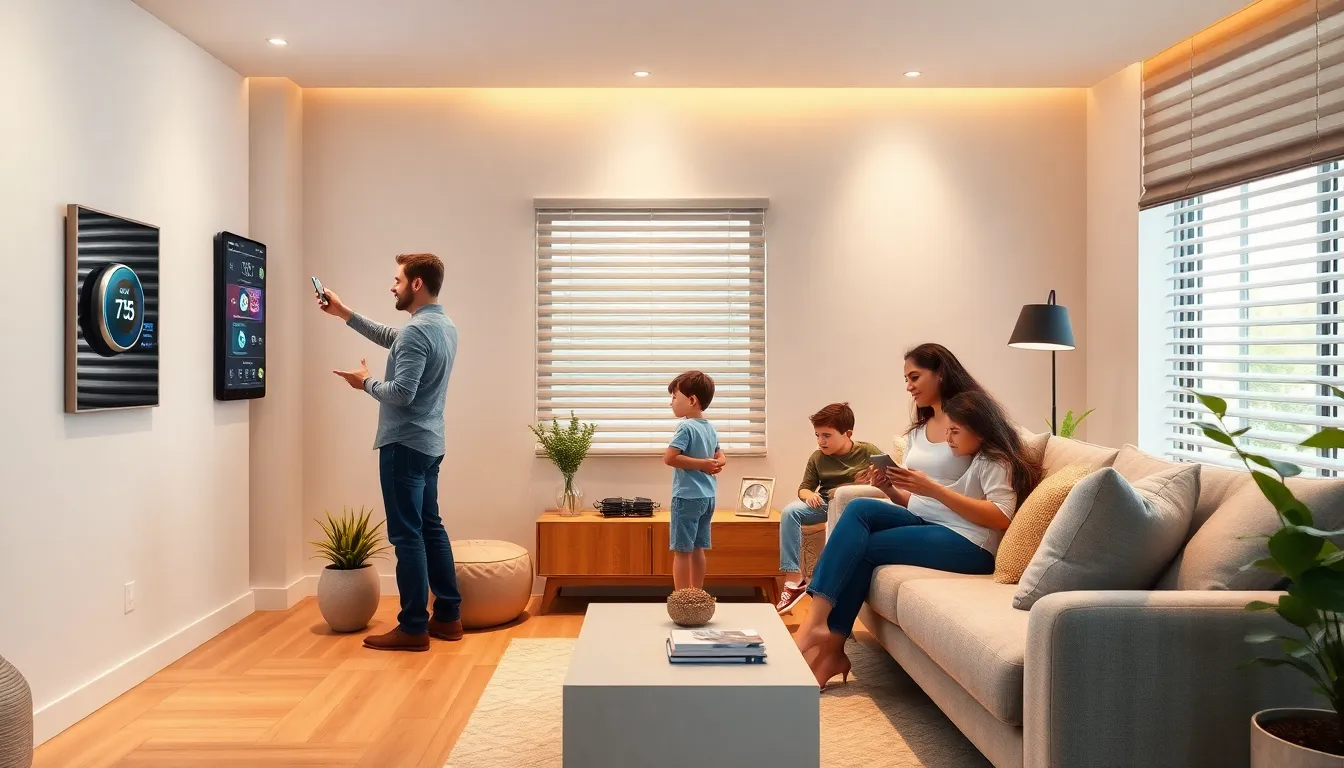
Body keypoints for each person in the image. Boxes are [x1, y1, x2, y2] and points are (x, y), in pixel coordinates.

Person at [796, 347, 1042, 689]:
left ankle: (826, 635)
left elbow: (1000, 516)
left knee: (864, 549)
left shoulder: (990, 454)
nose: (909, 386)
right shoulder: (932, 430)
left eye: (914, 377)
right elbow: (926, 499)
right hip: (928, 521)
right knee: (858, 509)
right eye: (906, 379)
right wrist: (893, 488)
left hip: (968, 543)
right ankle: (822, 630)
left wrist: (931, 488)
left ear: (940, 373)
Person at [318, 253, 462, 653]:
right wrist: (344, 312)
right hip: (431, 445)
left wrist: (365, 383)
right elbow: (391, 336)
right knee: (431, 528)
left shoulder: (418, 332)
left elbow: (402, 393)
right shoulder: (443, 326)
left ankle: (414, 626)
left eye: (397, 280)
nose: (392, 286)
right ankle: (448, 617)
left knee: (407, 536)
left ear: (417, 284)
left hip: (404, 446)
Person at [775, 403, 882, 615]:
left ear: (847, 433)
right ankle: (793, 581)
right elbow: (804, 488)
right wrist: (810, 495)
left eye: (827, 435)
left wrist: (851, 487)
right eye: (817, 435)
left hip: (853, 507)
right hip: (823, 503)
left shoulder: (868, 451)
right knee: (790, 511)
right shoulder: (817, 457)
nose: (820, 441)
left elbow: (889, 478)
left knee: (839, 502)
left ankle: (829, 579)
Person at [662, 371, 725, 591]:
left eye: (674, 397)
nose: (671, 402)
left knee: (682, 551)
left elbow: (670, 458)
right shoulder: (710, 427)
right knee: (698, 548)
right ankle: (697, 594)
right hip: (707, 498)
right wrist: (714, 463)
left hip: (687, 497)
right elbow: (720, 454)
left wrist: (701, 464)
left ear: (691, 400)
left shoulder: (685, 427)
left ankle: (682, 598)